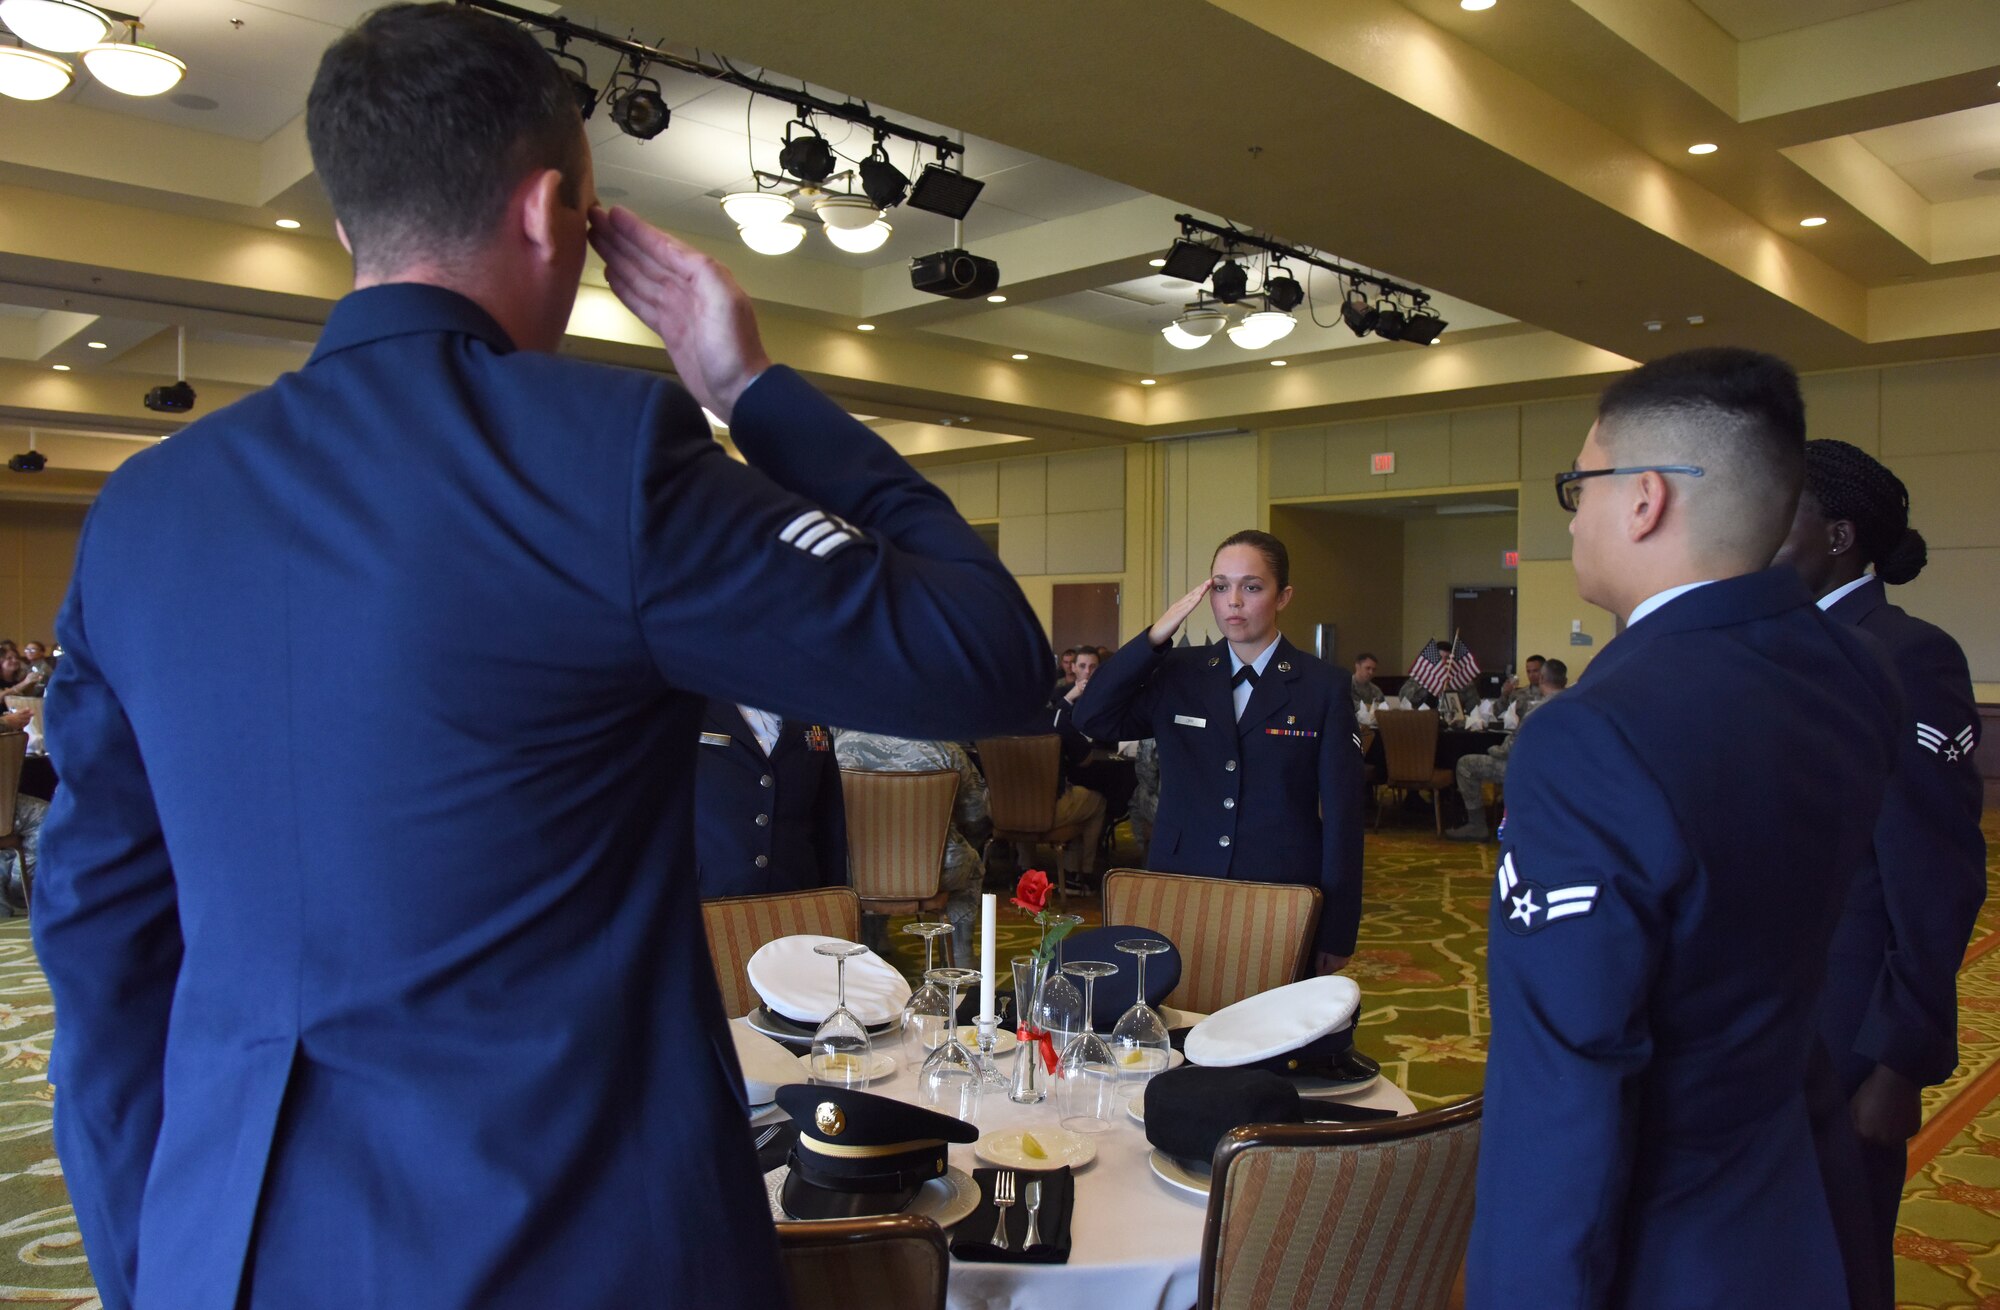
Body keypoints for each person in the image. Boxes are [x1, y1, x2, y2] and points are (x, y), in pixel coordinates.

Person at [30, 9, 1051, 1310]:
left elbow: (103, 944)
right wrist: (751, 389)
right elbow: (993, 656)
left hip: (230, 1246)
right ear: (552, 209)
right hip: (569, 1241)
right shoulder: (604, 455)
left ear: (348, 225)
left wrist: (148, 1258)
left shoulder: (143, 514)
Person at [1467, 348, 1901, 1310]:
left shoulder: (1595, 733)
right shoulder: (1856, 670)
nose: (1573, 515)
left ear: (1643, 500)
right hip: (1804, 1195)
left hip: (1671, 1244)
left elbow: (1567, 1082)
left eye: (1579, 486)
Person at [1775, 439, 1987, 1310]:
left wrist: (1900, 1061)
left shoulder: (1908, 655)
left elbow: (1936, 874)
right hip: (1762, 1024)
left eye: (1777, 511)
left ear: (1837, 535)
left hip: (1848, 1035)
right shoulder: (1777, 644)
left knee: (1843, 1260)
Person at [1075, 529, 1366, 978]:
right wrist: (1153, 638)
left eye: (1251, 587)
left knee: (1265, 1031)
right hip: (1183, 881)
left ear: (1282, 596)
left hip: (1278, 890)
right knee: (1176, 1023)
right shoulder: (1179, 673)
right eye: (1221, 586)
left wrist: (1337, 929)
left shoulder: (1321, 686)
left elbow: (1345, 815)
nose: (1234, 601)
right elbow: (1092, 718)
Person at [832, 727, 992, 963]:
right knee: (971, 865)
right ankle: (960, 961)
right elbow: (976, 813)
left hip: (857, 872)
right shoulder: (946, 750)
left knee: (864, 863)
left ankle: (869, 948)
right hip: (937, 871)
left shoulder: (839, 748)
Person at [693, 700, 847, 900]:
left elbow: (829, 822)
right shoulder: (688, 706)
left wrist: (833, 901)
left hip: (798, 896)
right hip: (709, 896)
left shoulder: (810, 713)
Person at [1444, 658, 1566, 840]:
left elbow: (1510, 748)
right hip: (1557, 769)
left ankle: (1476, 825)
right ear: (1564, 681)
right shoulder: (1573, 705)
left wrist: (1492, 749)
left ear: (1541, 678)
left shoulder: (1536, 712)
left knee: (1465, 764)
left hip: (1524, 767)